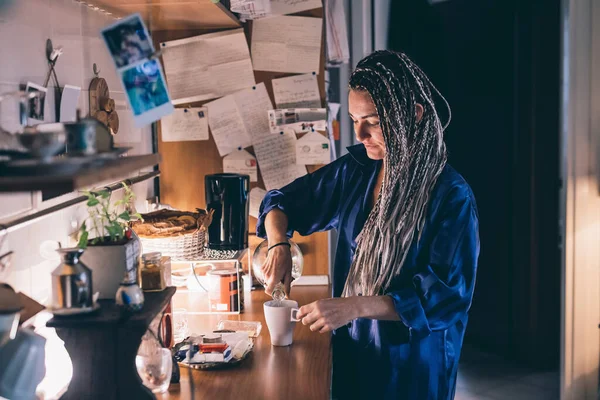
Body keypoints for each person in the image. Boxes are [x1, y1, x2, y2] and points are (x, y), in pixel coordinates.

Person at [256, 50, 480, 400]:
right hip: (354, 348)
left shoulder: (451, 196)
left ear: (415, 115)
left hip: (412, 365)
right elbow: (279, 203)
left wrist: (354, 305)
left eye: (373, 121)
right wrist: (278, 245)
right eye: (353, 118)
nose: (359, 134)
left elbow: (444, 297)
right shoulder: (356, 171)